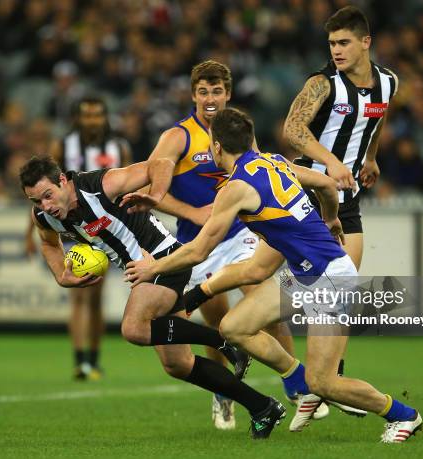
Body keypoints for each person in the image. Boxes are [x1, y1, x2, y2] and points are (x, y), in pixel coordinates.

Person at [125, 108, 423, 442]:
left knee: (324, 383)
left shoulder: (234, 189)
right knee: (234, 327)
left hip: (330, 282)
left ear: (217, 147)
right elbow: (324, 185)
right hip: (307, 277)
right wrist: (331, 219)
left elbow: (197, 251)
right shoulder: (274, 161)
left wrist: (154, 268)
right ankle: (297, 381)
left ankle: (403, 415)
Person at [19, 155, 286, 439]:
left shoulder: (101, 185)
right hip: (143, 273)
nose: (45, 206)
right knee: (178, 365)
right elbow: (48, 243)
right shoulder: (45, 216)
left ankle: (223, 341)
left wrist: (156, 195)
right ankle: (262, 407)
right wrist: (61, 274)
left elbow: (159, 164)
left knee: (134, 328)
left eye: (48, 195)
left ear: (63, 181)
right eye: (36, 201)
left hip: (163, 258)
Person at [146, 59, 304, 428]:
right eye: (203, 91)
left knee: (261, 299)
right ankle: (224, 392)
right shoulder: (177, 137)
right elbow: (153, 191)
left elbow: (258, 174)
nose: (211, 98)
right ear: (193, 95)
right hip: (197, 242)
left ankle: (299, 387)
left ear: (228, 94)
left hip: (239, 234)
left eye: (217, 91)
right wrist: (193, 212)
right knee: (217, 324)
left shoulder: (237, 130)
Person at [282, 4, 399, 394]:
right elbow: (293, 128)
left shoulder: (388, 83)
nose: (336, 50)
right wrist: (332, 161)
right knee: (260, 284)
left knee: (339, 293)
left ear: (366, 42)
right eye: (332, 43)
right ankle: (291, 374)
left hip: (347, 200)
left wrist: (371, 157)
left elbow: (376, 118)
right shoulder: (323, 83)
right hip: (304, 194)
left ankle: (328, 383)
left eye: (344, 42)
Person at [25, 96, 132, 381]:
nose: (92, 120)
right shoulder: (63, 146)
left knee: (95, 297)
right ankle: (80, 360)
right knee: (78, 294)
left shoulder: (119, 147)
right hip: (69, 225)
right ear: (78, 118)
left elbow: (130, 186)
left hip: (104, 228)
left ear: (105, 117)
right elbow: (43, 192)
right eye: (87, 115)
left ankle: (93, 360)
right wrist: (30, 233)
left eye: (97, 115)